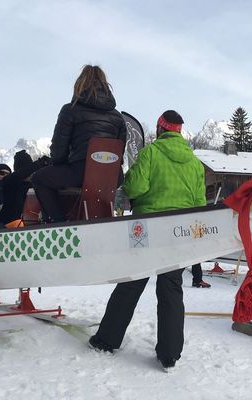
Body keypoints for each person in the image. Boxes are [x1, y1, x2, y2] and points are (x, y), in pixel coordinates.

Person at [89, 110, 205, 371]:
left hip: (148, 230)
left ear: (160, 129)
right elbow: (199, 204)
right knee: (172, 289)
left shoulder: (151, 153)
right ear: (179, 131)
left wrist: (128, 182)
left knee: (131, 283)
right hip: (178, 233)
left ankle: (107, 339)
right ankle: (169, 353)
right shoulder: (194, 162)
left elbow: (136, 187)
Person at [31, 65, 126, 223]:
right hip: (112, 176)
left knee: (40, 178)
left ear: (80, 84)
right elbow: (119, 152)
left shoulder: (70, 110)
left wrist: (60, 164)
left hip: (81, 171)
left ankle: (58, 222)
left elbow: (58, 151)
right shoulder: (118, 117)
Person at [0, 151, 50, 228]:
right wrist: (39, 163)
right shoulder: (8, 183)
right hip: (9, 226)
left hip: (33, 225)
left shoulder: (35, 184)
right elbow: (18, 175)